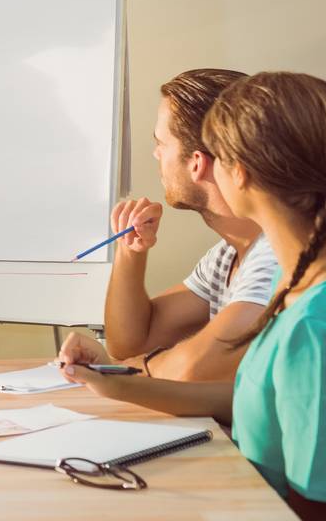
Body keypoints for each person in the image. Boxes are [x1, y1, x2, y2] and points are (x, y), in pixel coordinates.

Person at [59, 72, 326, 519]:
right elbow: (254, 396)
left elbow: (321, 508)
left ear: (240, 174)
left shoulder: (308, 323)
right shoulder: (307, 292)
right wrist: (117, 383)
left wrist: (128, 377)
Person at [101, 69, 276, 380]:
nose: (156, 154)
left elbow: (195, 366)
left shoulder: (274, 253)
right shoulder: (226, 256)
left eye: (162, 143)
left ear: (196, 163)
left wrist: (113, 374)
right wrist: (130, 252)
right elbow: (130, 343)